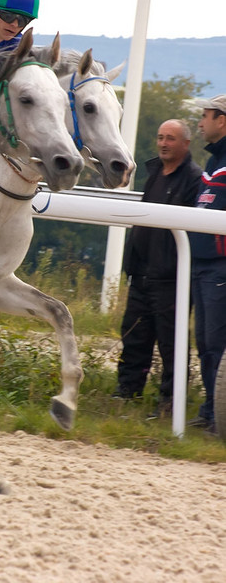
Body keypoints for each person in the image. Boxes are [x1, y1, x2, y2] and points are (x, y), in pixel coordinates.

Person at [114, 119, 202, 417]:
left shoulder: (194, 179)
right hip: (142, 275)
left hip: (171, 280)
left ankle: (170, 404)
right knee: (134, 337)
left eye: (171, 138)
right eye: (160, 137)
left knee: (171, 344)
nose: (164, 143)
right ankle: (126, 395)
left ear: (185, 144)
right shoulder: (153, 173)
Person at [187, 94, 226, 433]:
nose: (200, 122)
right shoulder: (213, 161)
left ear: (222, 120)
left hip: (219, 265)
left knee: (215, 344)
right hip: (201, 263)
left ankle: (216, 416)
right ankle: (210, 410)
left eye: (205, 115)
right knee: (205, 343)